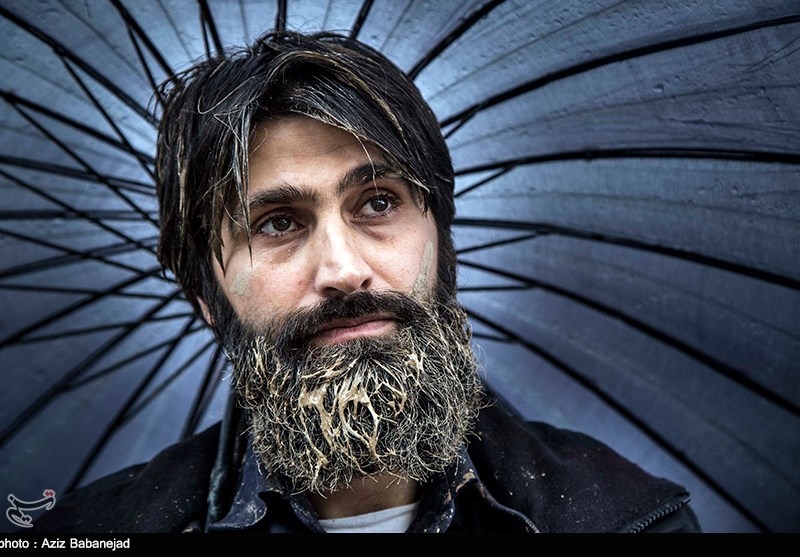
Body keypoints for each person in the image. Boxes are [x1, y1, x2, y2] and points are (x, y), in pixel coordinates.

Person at [31, 29, 701, 534]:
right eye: (277, 223)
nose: (344, 269)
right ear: (207, 296)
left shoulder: (628, 518)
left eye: (378, 202)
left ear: (440, 240)